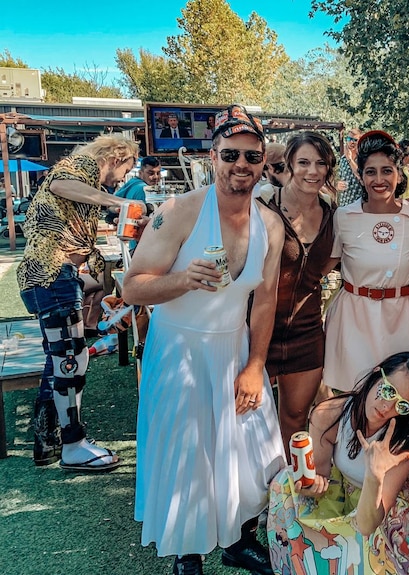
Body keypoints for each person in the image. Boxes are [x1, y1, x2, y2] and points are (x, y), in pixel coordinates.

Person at [125, 104, 286, 575]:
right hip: (180, 351)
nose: (242, 165)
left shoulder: (269, 224)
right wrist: (181, 281)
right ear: (212, 156)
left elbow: (265, 300)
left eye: (252, 157)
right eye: (231, 154)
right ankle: (188, 554)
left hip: (235, 348)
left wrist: (255, 365)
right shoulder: (177, 212)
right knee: (187, 452)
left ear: (262, 162)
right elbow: (133, 287)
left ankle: (237, 540)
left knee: (251, 452)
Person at [267, 352, 409, 575]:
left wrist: (375, 474)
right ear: (377, 374)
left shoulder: (402, 444)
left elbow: (369, 524)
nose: (387, 407)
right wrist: (311, 487)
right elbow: (322, 481)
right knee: (283, 484)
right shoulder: (328, 415)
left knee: (371, 543)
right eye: (387, 391)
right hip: (342, 490)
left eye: (402, 405)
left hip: (381, 509)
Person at [18, 134, 139, 469]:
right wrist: (116, 203)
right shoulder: (84, 166)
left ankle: (48, 443)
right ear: (116, 157)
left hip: (48, 276)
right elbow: (59, 185)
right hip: (53, 273)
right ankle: (73, 443)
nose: (122, 179)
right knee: (71, 360)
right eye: (125, 169)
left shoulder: (79, 173)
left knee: (58, 360)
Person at [324, 130, 409, 392]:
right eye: (371, 171)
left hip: (399, 319)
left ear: (399, 174)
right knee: (352, 396)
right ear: (361, 175)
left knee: (399, 396)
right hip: (354, 319)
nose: (379, 180)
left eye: (387, 170)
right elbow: (324, 267)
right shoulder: (344, 217)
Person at [260, 131, 337, 448]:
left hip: (306, 334)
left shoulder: (333, 216)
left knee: (294, 419)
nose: (312, 171)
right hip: (255, 331)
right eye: (303, 162)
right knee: (249, 423)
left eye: (320, 163)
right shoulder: (262, 206)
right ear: (289, 164)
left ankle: (287, 494)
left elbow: (324, 268)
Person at [336, 128, 364, 206]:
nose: (352, 142)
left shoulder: (363, 159)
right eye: (349, 139)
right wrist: (338, 185)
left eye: (355, 140)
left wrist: (350, 159)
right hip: (344, 203)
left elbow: (361, 176)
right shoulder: (342, 159)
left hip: (359, 205)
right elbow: (340, 178)